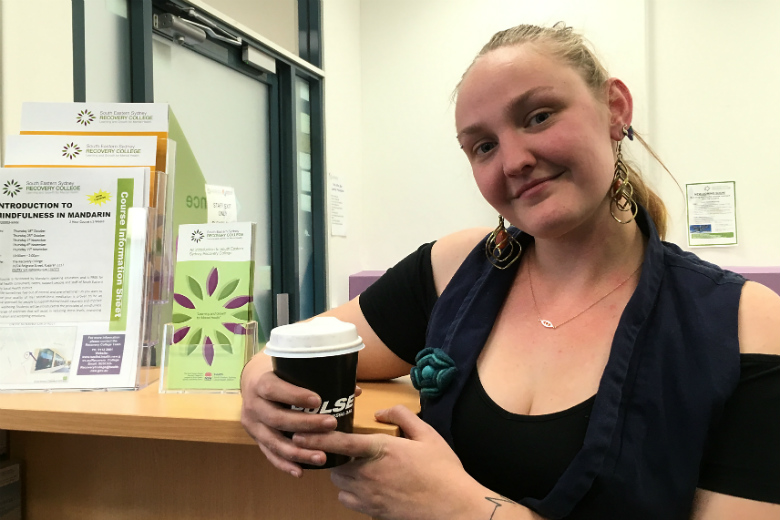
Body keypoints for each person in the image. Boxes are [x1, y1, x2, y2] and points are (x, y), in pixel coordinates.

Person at [240, 23, 780, 519]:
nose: (514, 160)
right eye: (483, 146)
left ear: (615, 109)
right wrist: (258, 386)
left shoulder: (744, 324)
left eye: (539, 116)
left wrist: (464, 509)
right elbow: (290, 349)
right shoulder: (456, 269)